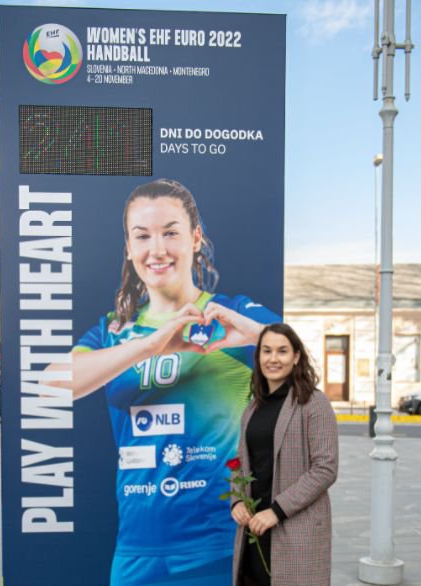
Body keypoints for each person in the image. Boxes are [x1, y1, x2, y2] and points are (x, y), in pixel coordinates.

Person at [48, 178, 280, 585]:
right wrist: (152, 344)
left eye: (170, 232)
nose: (157, 249)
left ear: (195, 238)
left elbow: (292, 350)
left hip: (217, 544)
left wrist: (236, 328)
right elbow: (55, 381)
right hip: (138, 546)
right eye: (143, 236)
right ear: (128, 248)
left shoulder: (230, 312)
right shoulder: (114, 330)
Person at [230, 323, 339, 586]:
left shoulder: (314, 403)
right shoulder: (253, 408)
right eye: (266, 351)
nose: (273, 359)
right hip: (254, 529)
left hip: (294, 528)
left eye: (282, 351)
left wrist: (276, 511)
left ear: (296, 357)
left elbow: (325, 468)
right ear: (258, 357)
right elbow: (240, 463)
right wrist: (237, 502)